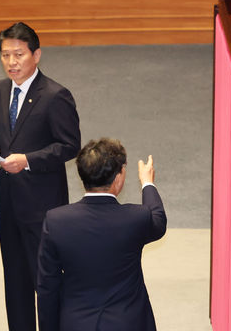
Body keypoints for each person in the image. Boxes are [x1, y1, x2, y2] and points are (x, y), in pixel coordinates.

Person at [0, 22, 81, 331]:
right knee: (15, 281)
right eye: (5, 55)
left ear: (36, 55)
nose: (11, 62)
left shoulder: (55, 95)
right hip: (9, 203)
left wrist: (28, 161)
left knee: (46, 283)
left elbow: (69, 146)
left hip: (43, 207)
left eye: (18, 55)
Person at [37, 138, 167, 331]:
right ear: (118, 178)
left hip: (76, 324)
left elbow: (47, 287)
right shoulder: (136, 218)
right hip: (128, 323)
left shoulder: (56, 221)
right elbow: (159, 219)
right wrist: (147, 182)